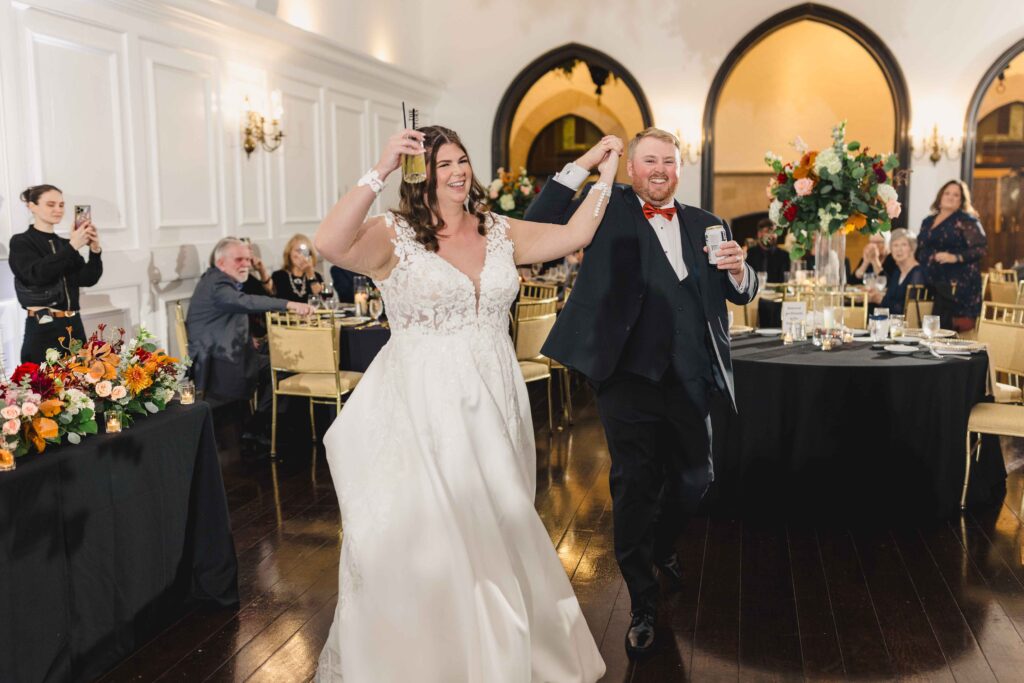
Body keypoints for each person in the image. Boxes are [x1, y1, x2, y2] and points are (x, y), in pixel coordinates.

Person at [312, 125, 611, 682]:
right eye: (443, 162)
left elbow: (576, 232)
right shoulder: (392, 233)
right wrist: (379, 168)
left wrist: (605, 162)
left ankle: (500, 653)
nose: (457, 171)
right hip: (421, 404)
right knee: (435, 534)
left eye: (462, 160)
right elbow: (329, 243)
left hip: (495, 397)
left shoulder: (497, 230)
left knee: (498, 522)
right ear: (420, 173)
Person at [525, 128, 757, 658]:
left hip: (693, 374)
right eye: (648, 160)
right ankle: (643, 601)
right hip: (627, 375)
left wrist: (743, 272)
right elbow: (542, 217)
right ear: (631, 168)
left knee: (698, 477)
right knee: (634, 483)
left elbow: (738, 289)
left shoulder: (707, 223)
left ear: (679, 168)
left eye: (668, 161)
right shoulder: (608, 207)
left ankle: (660, 545)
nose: (659, 169)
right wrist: (588, 160)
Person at [186, 237, 311, 410]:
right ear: (221, 263)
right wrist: (289, 305)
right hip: (218, 363)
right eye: (239, 260)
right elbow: (247, 302)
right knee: (285, 365)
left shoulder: (217, 279)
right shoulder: (218, 284)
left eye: (247, 259)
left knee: (283, 355)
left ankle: (262, 423)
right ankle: (261, 424)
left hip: (228, 352)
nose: (246, 264)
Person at [9, 185, 102, 362]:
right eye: (51, 204)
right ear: (32, 206)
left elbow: (87, 279)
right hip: (43, 322)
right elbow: (36, 275)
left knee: (80, 382)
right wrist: (73, 247)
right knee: (42, 384)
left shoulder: (65, 244)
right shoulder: (21, 242)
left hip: (74, 323)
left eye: (61, 205)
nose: (58, 210)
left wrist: (95, 250)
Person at [916, 180, 987, 331]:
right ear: (940, 196)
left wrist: (955, 257)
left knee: (948, 331)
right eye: (947, 193)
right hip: (930, 282)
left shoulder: (967, 221)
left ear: (961, 201)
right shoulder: (927, 221)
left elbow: (980, 249)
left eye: (956, 195)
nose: (950, 197)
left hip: (958, 286)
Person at [868, 229, 925, 314]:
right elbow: (889, 299)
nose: (899, 249)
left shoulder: (918, 274)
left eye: (904, 245)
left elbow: (909, 311)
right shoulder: (897, 272)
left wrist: (880, 299)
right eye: (895, 245)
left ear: (912, 248)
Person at [271, 234, 324, 303]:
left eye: (305, 252)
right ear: (289, 253)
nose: (301, 255)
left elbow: (321, 301)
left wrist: (310, 273)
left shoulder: (316, 276)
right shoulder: (278, 276)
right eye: (298, 251)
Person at [745, 217, 789, 282]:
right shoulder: (749, 254)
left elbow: (785, 281)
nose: (771, 235)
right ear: (759, 234)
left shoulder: (784, 255)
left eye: (774, 232)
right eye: (767, 232)